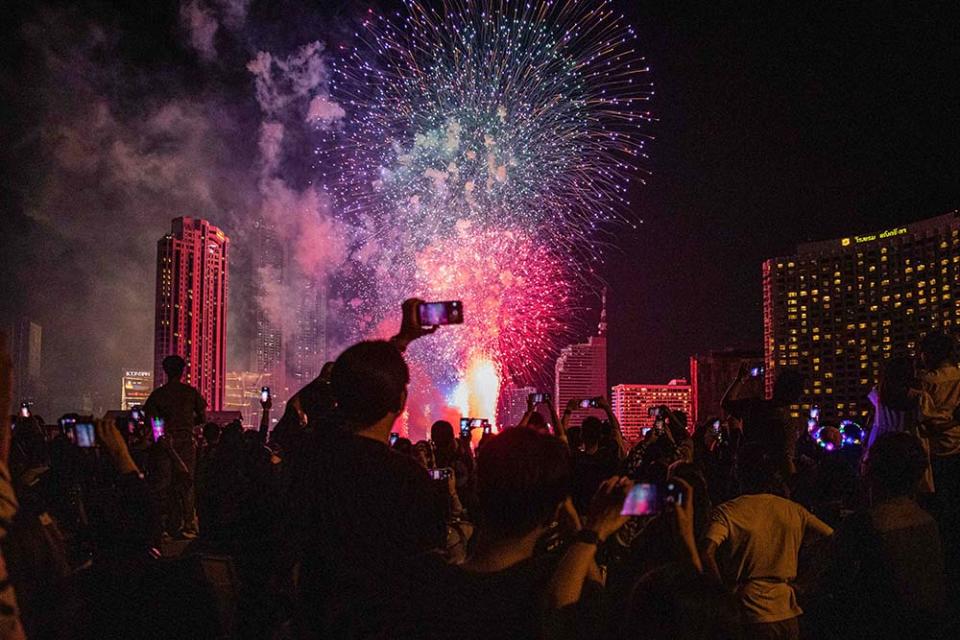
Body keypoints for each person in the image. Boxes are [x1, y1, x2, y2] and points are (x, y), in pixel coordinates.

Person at [288, 299, 447, 639]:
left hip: (316, 623)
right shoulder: (408, 479)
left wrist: (399, 343)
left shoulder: (309, 460)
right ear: (401, 403)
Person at [397, 427, 639, 640]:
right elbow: (588, 613)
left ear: (479, 491)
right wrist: (588, 531)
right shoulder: (555, 591)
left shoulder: (419, 584)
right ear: (555, 511)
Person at [817, 432, 945, 639]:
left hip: (880, 626)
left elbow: (836, 581)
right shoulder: (929, 520)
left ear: (872, 470)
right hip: (924, 626)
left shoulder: (864, 524)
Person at [701, 443, 833, 639]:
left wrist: (721, 593)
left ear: (738, 473)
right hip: (787, 611)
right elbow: (832, 539)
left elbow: (706, 552)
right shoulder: (793, 510)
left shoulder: (728, 512)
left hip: (748, 612)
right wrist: (807, 581)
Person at [143, 355, 206, 538]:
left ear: (165, 371)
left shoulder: (158, 395)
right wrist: (186, 425)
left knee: (163, 485)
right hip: (186, 443)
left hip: (164, 444)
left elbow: (154, 424)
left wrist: (161, 438)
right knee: (186, 482)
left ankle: (162, 527)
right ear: (182, 371)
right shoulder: (191, 392)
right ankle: (188, 525)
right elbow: (203, 418)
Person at [916, 331, 960, 592]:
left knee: (938, 511)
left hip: (934, 453)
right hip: (957, 444)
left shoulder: (925, 381)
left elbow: (925, 417)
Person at [721, 366, 804, 476]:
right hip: (771, 477)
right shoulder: (787, 422)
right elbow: (786, 459)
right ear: (795, 397)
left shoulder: (754, 405)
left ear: (775, 387)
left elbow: (726, 403)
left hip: (747, 469)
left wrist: (740, 379)